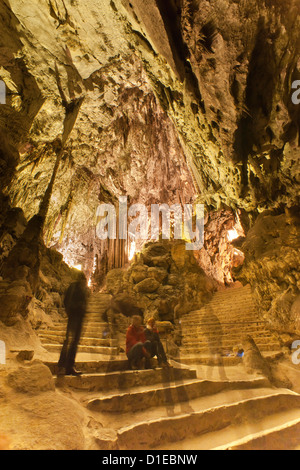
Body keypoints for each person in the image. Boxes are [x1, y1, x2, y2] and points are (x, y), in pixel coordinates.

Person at [58, 273, 89, 376]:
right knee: (70, 342)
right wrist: (72, 311)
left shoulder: (82, 289)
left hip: (78, 317)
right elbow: (67, 300)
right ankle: (65, 366)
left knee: (73, 342)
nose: (85, 282)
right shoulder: (74, 287)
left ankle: (67, 366)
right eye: (84, 280)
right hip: (74, 317)